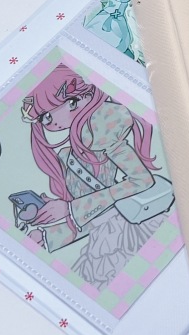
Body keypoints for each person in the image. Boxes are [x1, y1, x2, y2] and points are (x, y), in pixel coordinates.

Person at [20, 63, 167, 288]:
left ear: (75, 99)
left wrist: (69, 209)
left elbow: (141, 181)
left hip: (127, 232)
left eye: (49, 114)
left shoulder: (101, 126)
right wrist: (49, 235)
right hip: (103, 235)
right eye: (44, 118)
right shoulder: (69, 153)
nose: (49, 123)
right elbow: (93, 214)